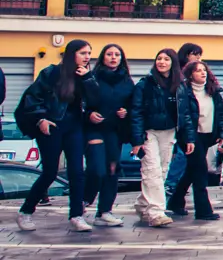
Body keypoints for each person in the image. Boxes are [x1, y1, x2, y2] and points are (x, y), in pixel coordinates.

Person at [15, 39, 98, 232]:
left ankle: (77, 215)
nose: (87, 57)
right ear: (72, 54)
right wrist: (40, 119)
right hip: (52, 126)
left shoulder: (86, 76)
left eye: (89, 53)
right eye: (83, 53)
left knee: (77, 172)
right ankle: (26, 211)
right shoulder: (51, 73)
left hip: (75, 127)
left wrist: (87, 79)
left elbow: (95, 101)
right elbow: (32, 98)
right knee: (50, 172)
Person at [129, 48, 182, 227]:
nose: (162, 62)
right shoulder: (145, 84)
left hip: (169, 132)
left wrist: (187, 137)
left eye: (166, 59)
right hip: (148, 132)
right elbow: (135, 112)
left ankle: (142, 205)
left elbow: (186, 113)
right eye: (159, 59)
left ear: (173, 63)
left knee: (162, 171)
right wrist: (137, 140)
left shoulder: (180, 85)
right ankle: (156, 212)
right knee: (151, 171)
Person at [168, 60, 223, 221]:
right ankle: (203, 210)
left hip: (207, 136)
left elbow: (222, 114)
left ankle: (175, 201)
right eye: (198, 70)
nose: (203, 73)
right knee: (200, 170)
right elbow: (184, 116)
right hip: (191, 137)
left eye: (204, 70)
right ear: (190, 74)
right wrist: (188, 138)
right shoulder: (184, 91)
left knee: (191, 171)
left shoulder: (213, 91)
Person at [84, 43, 134, 228]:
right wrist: (88, 114)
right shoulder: (92, 78)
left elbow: (133, 106)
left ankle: (104, 211)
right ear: (102, 57)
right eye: (109, 54)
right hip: (94, 129)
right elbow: (81, 102)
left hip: (115, 130)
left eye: (117, 55)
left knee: (112, 169)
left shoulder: (127, 81)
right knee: (97, 169)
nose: (113, 57)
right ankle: (84, 201)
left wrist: (125, 112)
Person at [164, 42, 205, 196]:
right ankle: (171, 183)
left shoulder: (192, 74)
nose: (198, 58)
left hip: (188, 120)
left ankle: (176, 183)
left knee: (184, 153)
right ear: (187, 55)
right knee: (181, 153)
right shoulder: (178, 73)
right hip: (177, 120)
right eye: (195, 54)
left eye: (200, 55)